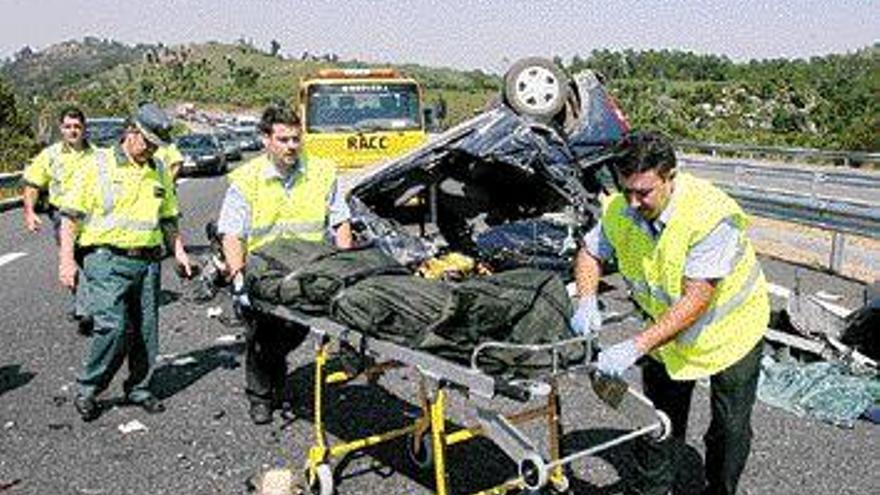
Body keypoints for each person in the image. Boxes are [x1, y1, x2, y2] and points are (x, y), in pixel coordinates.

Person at [570, 131, 769, 495]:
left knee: (729, 429)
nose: (632, 202)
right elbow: (589, 252)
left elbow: (696, 300)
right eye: (626, 190)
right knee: (657, 424)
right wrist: (586, 298)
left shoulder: (710, 216)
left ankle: (720, 489)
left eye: (643, 193)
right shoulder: (621, 208)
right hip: (665, 338)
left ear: (670, 177)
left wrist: (634, 346)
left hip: (729, 334)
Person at [217, 105, 352, 425]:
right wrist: (238, 279)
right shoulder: (246, 180)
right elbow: (232, 234)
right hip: (265, 275)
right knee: (262, 339)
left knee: (292, 332)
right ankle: (261, 397)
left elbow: (341, 221)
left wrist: (345, 264)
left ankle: (276, 375)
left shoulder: (321, 171)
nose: (292, 146)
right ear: (266, 140)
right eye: (283, 139)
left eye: (296, 139)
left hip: (309, 271)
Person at [58, 102, 192, 422]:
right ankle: (89, 388)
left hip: (147, 262)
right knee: (113, 327)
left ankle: (139, 388)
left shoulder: (158, 168)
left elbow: (168, 219)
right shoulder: (96, 165)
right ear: (131, 132)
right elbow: (70, 217)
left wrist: (180, 253)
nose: (150, 151)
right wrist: (66, 261)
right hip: (105, 259)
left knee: (147, 331)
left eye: (156, 146)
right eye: (147, 143)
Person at [22, 106, 99, 327]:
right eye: (68, 127)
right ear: (61, 129)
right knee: (71, 259)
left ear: (84, 129)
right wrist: (29, 212)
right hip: (62, 216)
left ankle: (90, 306)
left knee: (93, 259)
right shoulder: (51, 155)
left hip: (93, 216)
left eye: (77, 126)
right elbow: (32, 183)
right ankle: (85, 309)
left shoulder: (98, 155)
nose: (72, 131)